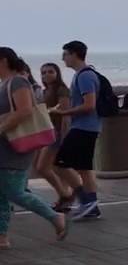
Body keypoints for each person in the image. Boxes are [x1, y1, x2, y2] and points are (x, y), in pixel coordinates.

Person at [0, 48, 70, 247]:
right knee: (2, 193)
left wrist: (1, 128)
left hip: (15, 146)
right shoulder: (5, 84)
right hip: (5, 145)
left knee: (15, 191)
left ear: (3, 61)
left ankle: (55, 217)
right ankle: (2, 236)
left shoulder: (18, 82)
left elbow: (25, 111)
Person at [52, 40, 104, 221]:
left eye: (65, 54)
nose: (63, 58)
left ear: (74, 54)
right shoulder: (82, 75)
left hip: (84, 127)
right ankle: (91, 205)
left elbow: (89, 105)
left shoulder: (85, 76)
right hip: (87, 127)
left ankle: (85, 200)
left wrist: (64, 112)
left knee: (59, 163)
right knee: (84, 167)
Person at [35, 63, 74, 210]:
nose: (46, 75)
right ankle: (64, 198)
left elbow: (65, 113)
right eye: (43, 72)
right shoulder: (46, 91)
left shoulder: (61, 90)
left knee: (42, 167)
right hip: (48, 131)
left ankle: (65, 194)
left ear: (57, 73)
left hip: (57, 133)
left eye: (50, 72)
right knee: (56, 166)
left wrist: (64, 134)